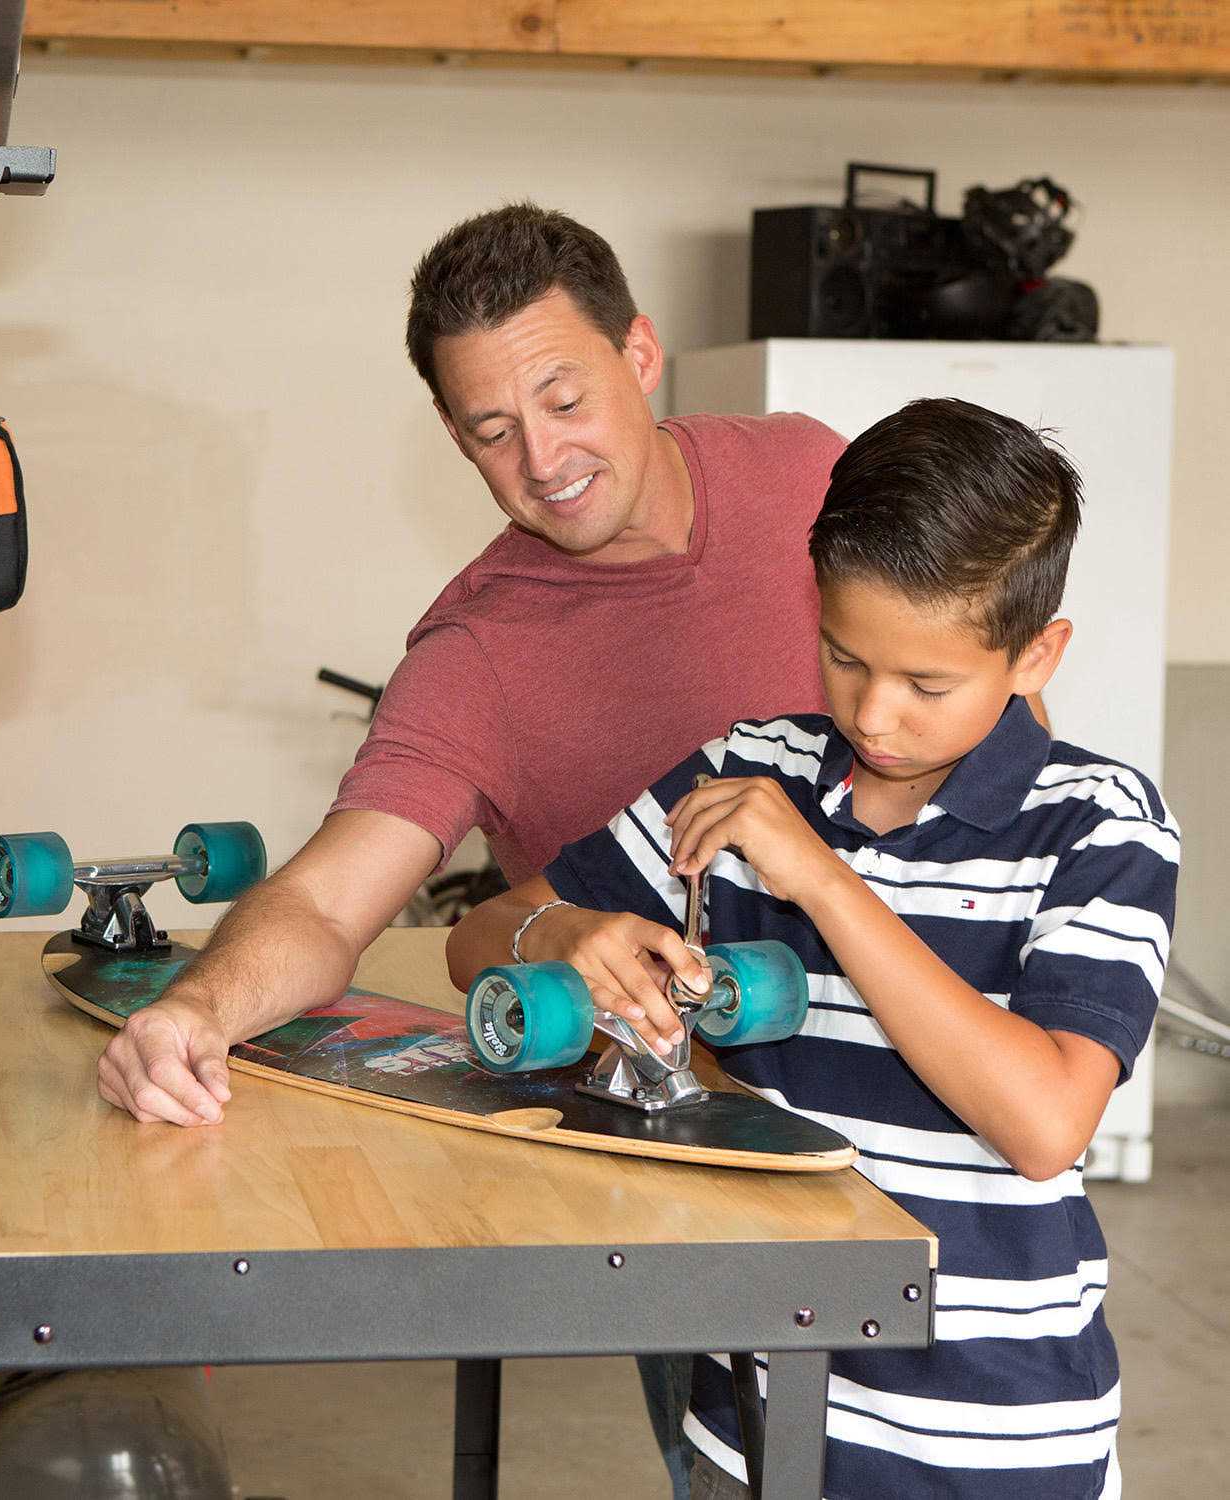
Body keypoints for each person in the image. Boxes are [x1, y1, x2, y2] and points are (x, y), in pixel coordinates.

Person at [95, 202, 844, 1495]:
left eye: (563, 397)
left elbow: (996, 700)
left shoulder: (814, 474)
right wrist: (195, 1011)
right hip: (724, 1159)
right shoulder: (477, 653)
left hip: (945, 1077)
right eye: (490, 431)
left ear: (643, 353)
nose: (540, 455)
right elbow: (331, 904)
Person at [447, 397, 1179, 1500]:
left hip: (985, 1446)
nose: (875, 715)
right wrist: (575, 932)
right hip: (752, 1422)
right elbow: (475, 939)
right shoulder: (751, 771)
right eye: (844, 657)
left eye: (928, 684)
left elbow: (1043, 1121)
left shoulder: (1098, 824)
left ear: (1037, 654)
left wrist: (827, 885)